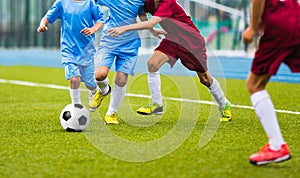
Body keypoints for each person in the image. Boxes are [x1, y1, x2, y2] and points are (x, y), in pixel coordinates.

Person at [107, 0, 232, 121]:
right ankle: (157, 104)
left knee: (205, 79)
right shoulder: (148, 2)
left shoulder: (168, 2)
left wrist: (124, 28)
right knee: (152, 64)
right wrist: (152, 31)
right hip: (172, 39)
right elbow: (141, 12)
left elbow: (151, 22)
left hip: (191, 42)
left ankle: (224, 104)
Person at [242, 0, 300, 165]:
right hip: (295, 17)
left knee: (254, 85)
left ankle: (276, 147)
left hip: (279, 25)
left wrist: (253, 27)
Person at [88, 0, 150, 124]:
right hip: (109, 41)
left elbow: (142, 16)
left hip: (130, 45)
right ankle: (104, 90)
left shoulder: (140, 1)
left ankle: (111, 113)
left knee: (121, 80)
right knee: (100, 75)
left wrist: (153, 30)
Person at [37, 0, 104, 107]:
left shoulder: (90, 3)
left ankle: (94, 91)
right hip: (68, 50)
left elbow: (100, 20)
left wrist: (93, 29)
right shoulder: (61, 3)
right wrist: (42, 25)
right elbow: (47, 17)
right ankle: (76, 107)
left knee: (89, 84)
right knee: (74, 78)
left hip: (87, 50)